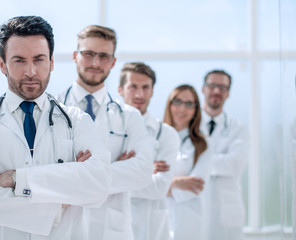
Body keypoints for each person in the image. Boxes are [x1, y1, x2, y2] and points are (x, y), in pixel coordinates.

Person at [0, 16, 111, 240]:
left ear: (52, 62)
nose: (31, 72)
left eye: (39, 59)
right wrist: (58, 203)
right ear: (2, 64)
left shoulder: (77, 121)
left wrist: (16, 179)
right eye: (19, 60)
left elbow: (99, 184)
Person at [57, 25, 154, 240]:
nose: (95, 63)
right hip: (61, 227)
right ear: (75, 56)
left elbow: (142, 172)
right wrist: (114, 166)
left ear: (113, 62)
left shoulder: (129, 117)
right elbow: (41, 168)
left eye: (103, 56)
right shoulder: (50, 111)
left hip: (110, 230)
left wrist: (74, 173)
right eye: (88, 54)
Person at [117, 62, 180, 240]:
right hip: (113, 226)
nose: (139, 94)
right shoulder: (106, 129)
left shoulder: (167, 134)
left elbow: (160, 188)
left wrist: (119, 170)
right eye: (133, 87)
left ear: (153, 91)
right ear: (120, 90)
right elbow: (98, 181)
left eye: (146, 87)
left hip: (152, 229)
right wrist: (144, 170)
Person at [201, 70, 248, 240]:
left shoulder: (239, 129)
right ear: (203, 89)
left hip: (227, 213)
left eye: (222, 87)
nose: (216, 91)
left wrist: (200, 162)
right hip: (195, 207)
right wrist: (219, 162)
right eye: (212, 86)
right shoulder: (189, 126)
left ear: (227, 93)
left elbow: (235, 165)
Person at [163, 84, 212, 240]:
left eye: (189, 104)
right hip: (157, 216)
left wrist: (162, 184)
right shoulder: (156, 138)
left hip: (189, 221)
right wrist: (177, 182)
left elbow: (196, 186)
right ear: (169, 104)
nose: (182, 108)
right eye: (177, 102)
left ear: (196, 109)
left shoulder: (203, 144)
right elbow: (143, 182)